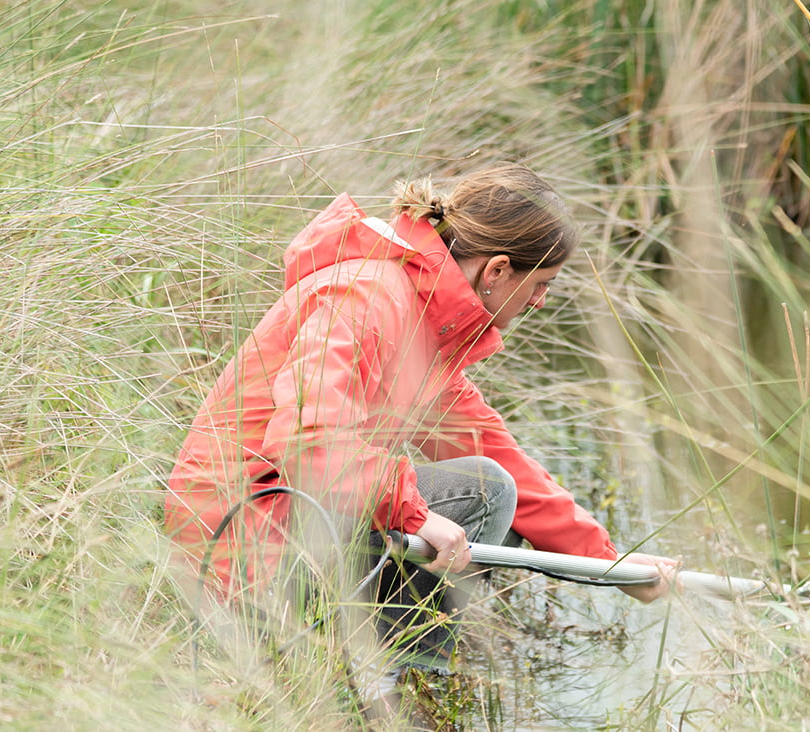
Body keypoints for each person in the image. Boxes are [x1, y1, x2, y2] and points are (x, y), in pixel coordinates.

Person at [164, 162, 677, 711]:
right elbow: (305, 437)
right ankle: (382, 696)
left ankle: (373, 679)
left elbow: (500, 458)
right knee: (483, 494)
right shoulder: (368, 297)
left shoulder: (426, 328)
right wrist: (412, 512)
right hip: (238, 544)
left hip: (285, 527)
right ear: (499, 269)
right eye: (541, 284)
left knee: (495, 492)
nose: (540, 302)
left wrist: (613, 565)